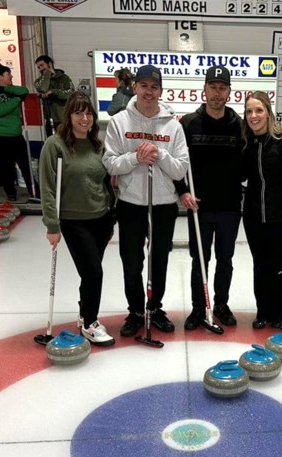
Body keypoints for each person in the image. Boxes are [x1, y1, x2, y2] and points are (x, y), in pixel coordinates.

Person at [103, 65, 190, 337]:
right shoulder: (119, 122)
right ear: (135, 87)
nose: (149, 91)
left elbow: (180, 169)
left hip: (163, 204)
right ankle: (136, 311)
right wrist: (136, 158)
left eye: (154, 87)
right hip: (130, 203)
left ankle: (154, 308)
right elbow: (109, 164)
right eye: (144, 86)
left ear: (160, 91)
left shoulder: (173, 126)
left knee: (159, 260)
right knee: (131, 260)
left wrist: (160, 154)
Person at [38, 92, 117, 346]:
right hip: (73, 220)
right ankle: (91, 323)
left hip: (101, 219)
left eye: (89, 113)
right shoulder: (55, 144)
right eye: (78, 113)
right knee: (94, 272)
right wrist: (52, 224)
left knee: (89, 272)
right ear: (68, 115)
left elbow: (106, 182)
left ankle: (84, 313)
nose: (84, 118)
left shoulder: (98, 145)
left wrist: (112, 213)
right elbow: (48, 187)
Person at [173, 65, 245, 331]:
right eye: (212, 87)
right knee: (199, 260)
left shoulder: (239, 125)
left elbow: (248, 163)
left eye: (222, 88)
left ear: (229, 92)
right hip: (199, 208)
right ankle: (198, 307)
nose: (217, 93)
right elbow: (178, 162)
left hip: (229, 207)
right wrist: (183, 190)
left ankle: (221, 305)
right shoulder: (188, 123)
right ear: (204, 90)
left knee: (225, 259)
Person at [240, 91, 282, 331]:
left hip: (280, 216)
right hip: (254, 215)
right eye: (249, 111)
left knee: (277, 265)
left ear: (268, 112)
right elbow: (241, 174)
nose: (254, 115)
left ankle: (278, 312)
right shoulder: (247, 143)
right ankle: (262, 311)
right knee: (260, 264)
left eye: (258, 110)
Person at [0, 64, 33, 202]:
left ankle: (34, 191)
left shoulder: (11, 89)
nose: (11, 76)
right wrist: (17, 100)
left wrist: (6, 89)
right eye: (8, 74)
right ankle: (10, 192)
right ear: (0, 77)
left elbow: (24, 90)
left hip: (16, 135)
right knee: (6, 166)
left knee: (25, 164)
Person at [35, 55, 76, 136]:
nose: (40, 69)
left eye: (42, 65)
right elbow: (42, 88)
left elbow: (70, 93)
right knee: (52, 144)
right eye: (38, 67)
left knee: (67, 143)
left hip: (64, 118)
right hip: (50, 118)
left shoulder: (64, 78)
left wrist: (54, 92)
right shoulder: (39, 81)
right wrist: (47, 74)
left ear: (49, 64)